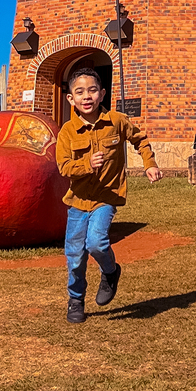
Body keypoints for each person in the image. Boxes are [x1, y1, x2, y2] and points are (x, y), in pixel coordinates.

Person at [55, 63, 161, 324]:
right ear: (71, 99)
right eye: (80, 92)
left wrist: (150, 164)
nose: (86, 96)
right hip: (78, 202)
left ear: (102, 93)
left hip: (106, 197)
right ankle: (76, 300)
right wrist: (87, 164)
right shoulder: (67, 132)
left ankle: (110, 272)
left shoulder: (116, 122)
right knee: (75, 255)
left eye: (92, 90)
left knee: (96, 243)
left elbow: (140, 139)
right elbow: (64, 167)